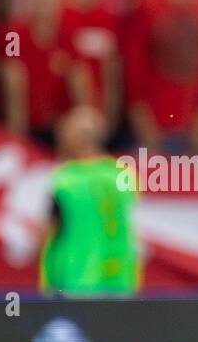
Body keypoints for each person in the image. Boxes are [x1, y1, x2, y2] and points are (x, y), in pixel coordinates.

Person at [41, 105, 140, 295]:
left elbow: (51, 230)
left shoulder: (66, 179)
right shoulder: (123, 174)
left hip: (75, 279)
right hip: (120, 278)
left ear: (78, 139)